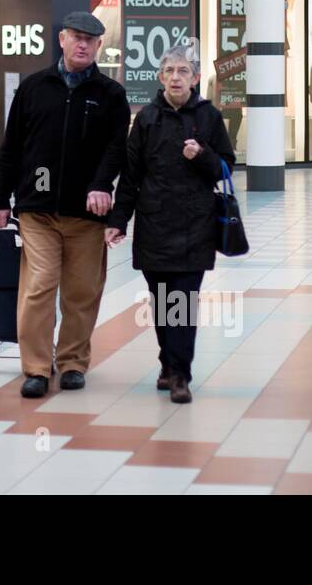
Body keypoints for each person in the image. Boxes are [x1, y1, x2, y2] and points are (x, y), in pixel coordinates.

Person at [0, 12, 130, 399]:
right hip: (37, 211)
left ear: (100, 46)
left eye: (91, 39)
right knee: (39, 285)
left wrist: (102, 186)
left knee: (82, 291)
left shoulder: (110, 95)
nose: (83, 44)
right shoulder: (34, 88)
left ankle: (71, 363)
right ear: (62, 40)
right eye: (77, 37)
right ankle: (35, 367)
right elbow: (11, 147)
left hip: (87, 215)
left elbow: (118, 149)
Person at [107, 44, 237, 405]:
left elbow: (226, 166)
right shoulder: (147, 119)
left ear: (195, 78)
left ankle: (180, 374)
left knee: (183, 299)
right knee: (163, 302)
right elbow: (130, 176)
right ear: (161, 78)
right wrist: (118, 221)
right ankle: (168, 361)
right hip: (154, 224)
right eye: (170, 71)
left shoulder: (209, 117)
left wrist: (204, 156)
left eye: (183, 71)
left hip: (196, 224)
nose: (176, 77)